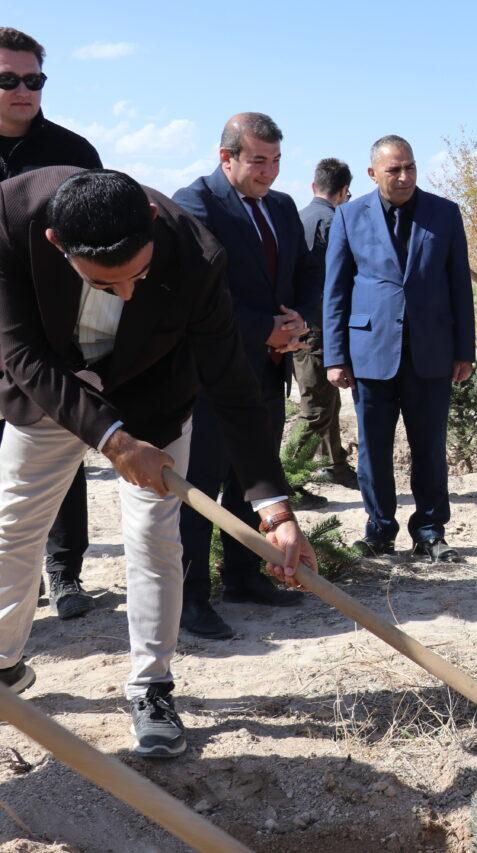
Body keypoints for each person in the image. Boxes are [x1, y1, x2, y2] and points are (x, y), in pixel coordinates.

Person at [0, 167, 316, 755]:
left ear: (150, 224)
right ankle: (3, 667)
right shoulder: (11, 218)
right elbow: (17, 350)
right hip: (50, 389)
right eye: (104, 282)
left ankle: (153, 689)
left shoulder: (197, 254)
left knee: (154, 539)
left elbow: (230, 383)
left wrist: (274, 508)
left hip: (152, 397)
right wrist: (114, 441)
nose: (126, 293)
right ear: (56, 244)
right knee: (13, 525)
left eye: (139, 277)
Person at [173, 113, 323, 640]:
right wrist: (265, 329)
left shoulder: (281, 206)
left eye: (276, 160)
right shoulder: (194, 204)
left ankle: (241, 577)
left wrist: (300, 319)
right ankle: (189, 599)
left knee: (250, 478)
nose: (270, 173)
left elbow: (306, 270)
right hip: (212, 375)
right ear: (226, 157)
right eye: (258, 160)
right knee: (201, 486)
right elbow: (199, 295)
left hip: (267, 371)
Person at [325, 135, 475, 562]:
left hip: (431, 350)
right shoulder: (349, 216)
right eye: (394, 170)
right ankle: (379, 530)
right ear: (373, 173)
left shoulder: (444, 213)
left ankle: (429, 531)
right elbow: (335, 290)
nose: (405, 176)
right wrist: (335, 357)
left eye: (409, 167)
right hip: (371, 352)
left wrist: (464, 350)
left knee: (429, 445)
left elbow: (458, 287)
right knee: (374, 448)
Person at [0, 26, 103, 620]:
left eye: (33, 80)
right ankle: (16, 581)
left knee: (61, 445)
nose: (23, 90)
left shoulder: (73, 153)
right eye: (8, 80)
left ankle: (64, 573)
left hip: (50, 330)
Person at [294, 157, 357, 490]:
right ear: (344, 191)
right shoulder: (336, 223)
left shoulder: (295, 219)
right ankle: (290, 480)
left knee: (326, 400)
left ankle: (337, 466)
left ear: (313, 185)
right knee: (316, 409)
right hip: (321, 330)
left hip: (299, 325)